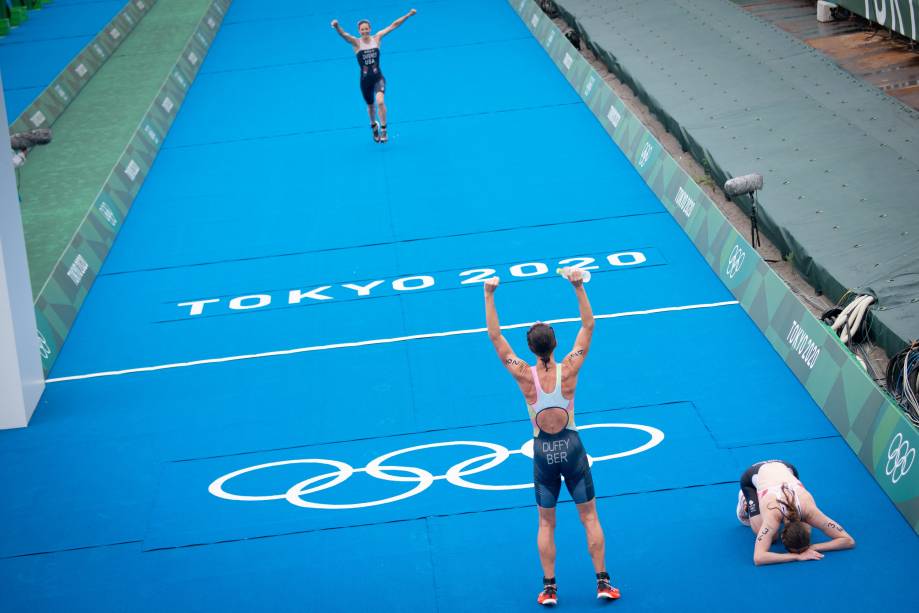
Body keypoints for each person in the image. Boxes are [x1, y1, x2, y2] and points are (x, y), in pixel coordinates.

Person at [483, 271, 620, 606]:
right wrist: (578, 285)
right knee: (589, 517)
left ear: (530, 348)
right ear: (555, 344)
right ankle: (603, 581)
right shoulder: (569, 368)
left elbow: (496, 337)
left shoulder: (522, 373)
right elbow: (588, 326)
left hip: (543, 451)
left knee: (546, 521)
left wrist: (489, 293)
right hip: (572, 449)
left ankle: (549, 588)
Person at [736, 460, 855, 565]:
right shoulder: (772, 517)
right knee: (771, 538)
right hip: (753, 476)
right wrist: (797, 556)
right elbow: (758, 558)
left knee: (770, 534)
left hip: (788, 468)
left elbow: (849, 541)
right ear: (783, 536)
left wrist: (813, 547)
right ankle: (745, 500)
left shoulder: (810, 512)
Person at [330, 9, 417, 143]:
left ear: (370, 29)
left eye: (366, 29)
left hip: (378, 78)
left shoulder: (377, 38)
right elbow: (343, 34)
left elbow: (393, 25)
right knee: (371, 106)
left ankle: (384, 129)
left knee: (380, 101)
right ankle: (373, 126)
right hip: (365, 81)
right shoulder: (356, 43)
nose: (365, 31)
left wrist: (408, 15)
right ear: (359, 31)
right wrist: (336, 26)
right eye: (362, 29)